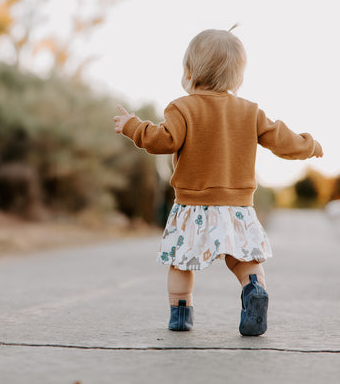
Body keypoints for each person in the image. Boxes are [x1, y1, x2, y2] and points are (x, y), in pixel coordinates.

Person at [113, 27, 323, 336]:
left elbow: (163, 140)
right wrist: (309, 145)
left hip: (192, 204)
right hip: (237, 207)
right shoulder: (250, 111)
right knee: (243, 259)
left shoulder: (182, 108)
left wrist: (133, 125)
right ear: (238, 77)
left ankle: (180, 315)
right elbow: (281, 139)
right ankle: (253, 288)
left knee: (181, 262)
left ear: (188, 71)